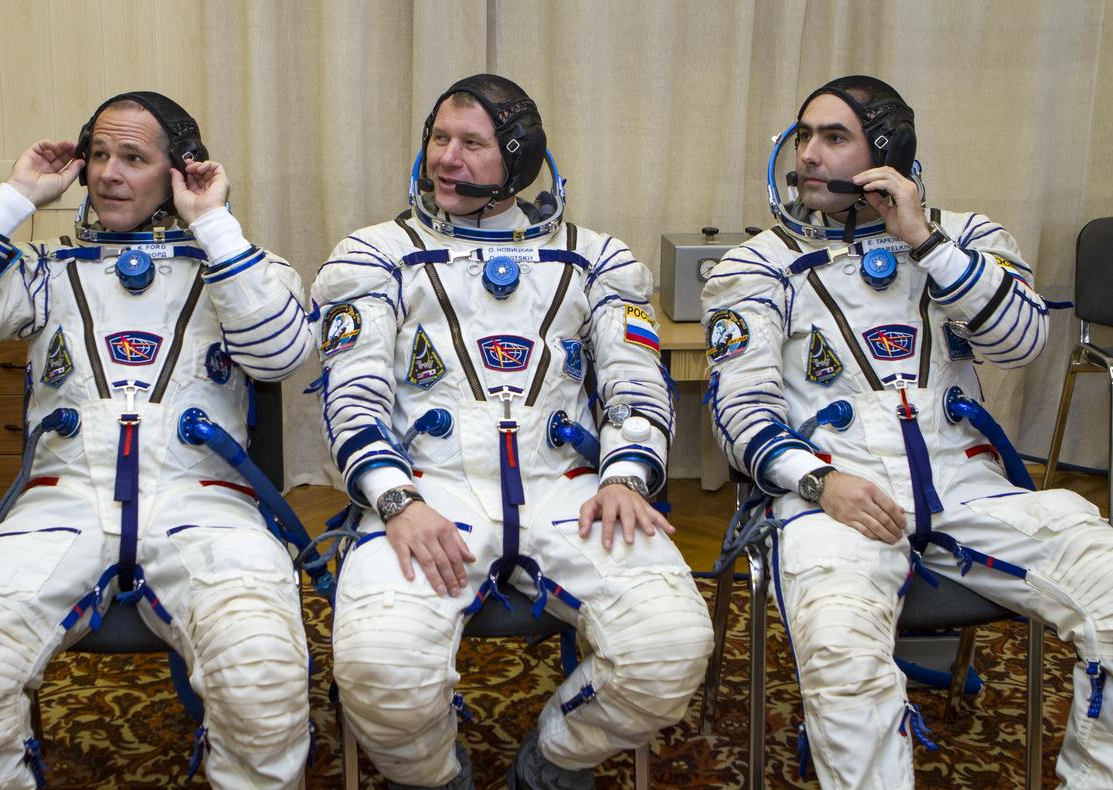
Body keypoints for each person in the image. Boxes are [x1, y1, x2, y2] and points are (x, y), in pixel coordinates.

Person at [702, 74, 1113, 788]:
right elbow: (739, 410)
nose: (810, 155)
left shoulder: (970, 239)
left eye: (834, 138)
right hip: (834, 499)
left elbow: (1021, 343)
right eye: (804, 136)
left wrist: (924, 239)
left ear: (884, 154)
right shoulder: (754, 267)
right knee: (843, 662)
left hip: (970, 491)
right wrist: (819, 481)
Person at [0, 91, 314, 788]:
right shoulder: (47, 270)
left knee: (262, 679)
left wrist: (212, 224)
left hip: (204, 506)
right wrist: (15, 197)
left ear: (179, 172)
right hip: (61, 505)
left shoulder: (242, 266)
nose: (107, 174)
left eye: (132, 158)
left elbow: (279, 356)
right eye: (98, 155)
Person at [310, 74, 713, 789]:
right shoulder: (374, 254)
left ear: (520, 158)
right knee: (379, 667)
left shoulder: (599, 259)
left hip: (569, 487)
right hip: (427, 493)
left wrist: (625, 475)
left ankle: (553, 761)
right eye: (439, 138)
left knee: (673, 644)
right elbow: (354, 396)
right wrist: (394, 500)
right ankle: (435, 775)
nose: (447, 158)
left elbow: (637, 384)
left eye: (472, 143)